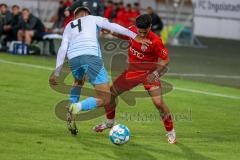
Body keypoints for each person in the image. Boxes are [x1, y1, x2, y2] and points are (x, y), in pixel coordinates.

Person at [49, 7, 151, 135]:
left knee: (78, 82)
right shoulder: (94, 18)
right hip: (91, 57)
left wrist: (57, 72)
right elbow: (114, 26)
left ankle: (72, 104)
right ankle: (75, 107)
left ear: (75, 16)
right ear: (87, 14)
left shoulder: (69, 25)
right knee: (106, 98)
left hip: (73, 59)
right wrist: (134, 36)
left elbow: (63, 48)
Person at [93, 14, 176, 144]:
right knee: (110, 94)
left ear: (150, 27)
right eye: (139, 32)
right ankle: (109, 123)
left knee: (159, 103)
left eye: (145, 32)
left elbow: (166, 60)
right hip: (132, 72)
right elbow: (124, 35)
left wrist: (155, 74)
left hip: (149, 74)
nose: (141, 35)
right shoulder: (132, 30)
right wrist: (110, 31)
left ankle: (171, 132)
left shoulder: (155, 41)